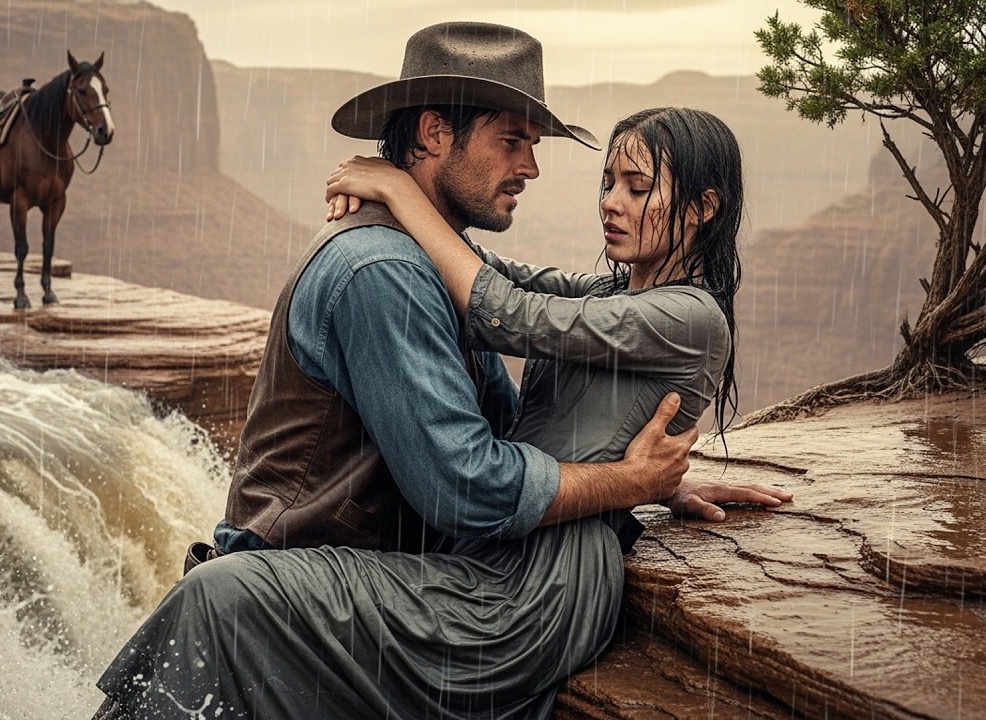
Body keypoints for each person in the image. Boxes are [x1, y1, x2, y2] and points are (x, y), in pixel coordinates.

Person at [93, 22, 790, 719]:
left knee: (219, 598)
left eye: (633, 187)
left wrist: (645, 481)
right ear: (434, 134)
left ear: (704, 209)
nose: (534, 169)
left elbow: (508, 327)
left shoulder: (664, 311)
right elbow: (478, 456)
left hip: (512, 587)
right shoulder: (388, 271)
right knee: (223, 597)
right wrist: (630, 481)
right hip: (375, 561)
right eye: (512, 142)